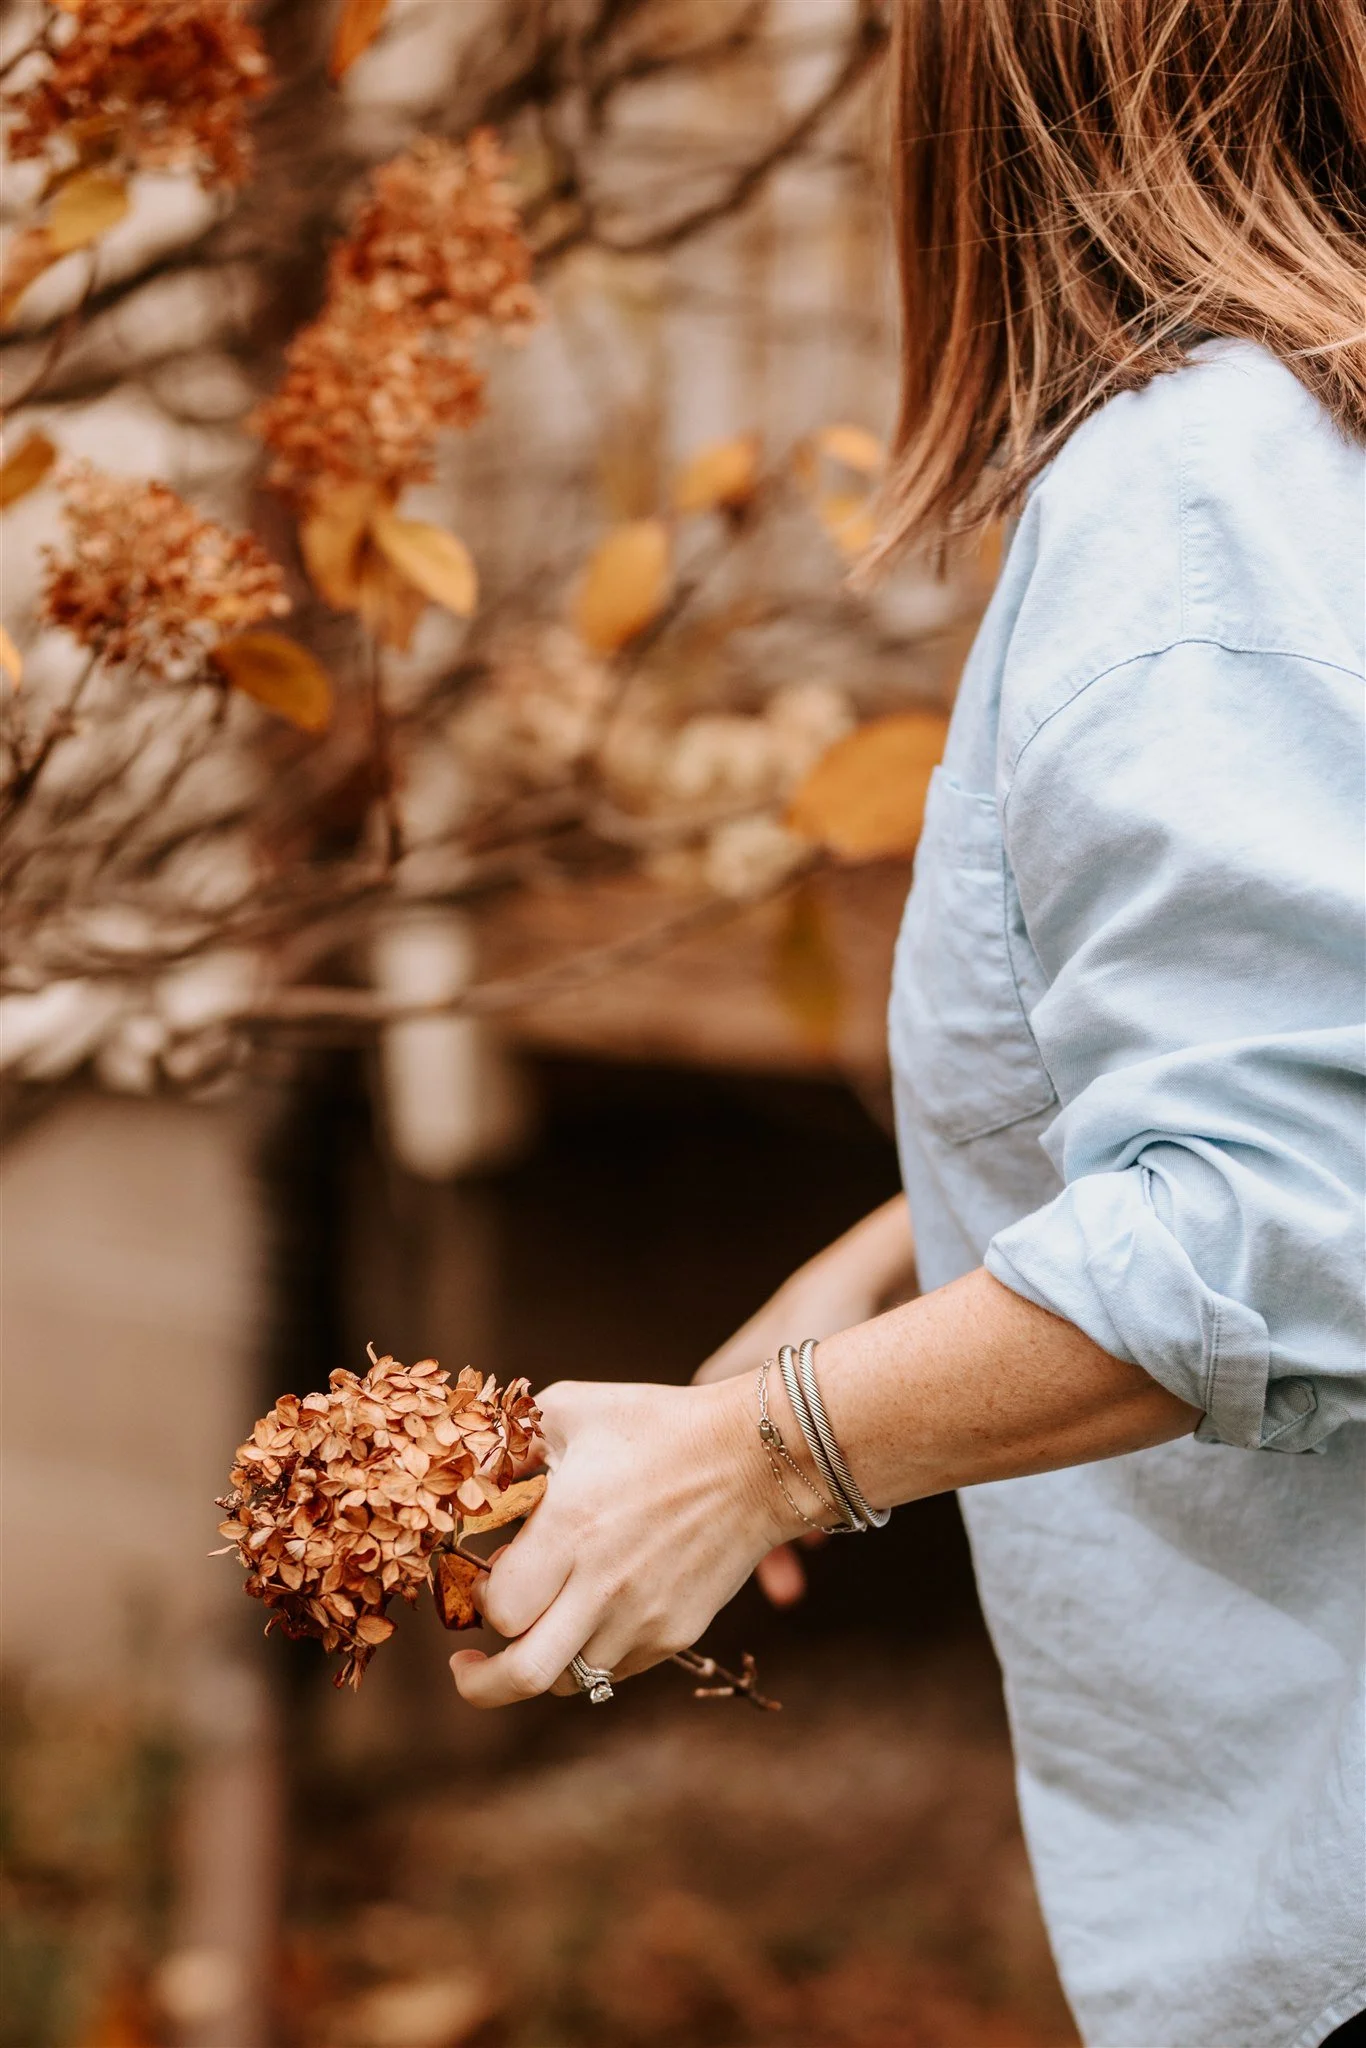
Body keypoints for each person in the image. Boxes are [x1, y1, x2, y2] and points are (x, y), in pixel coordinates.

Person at [450, 3, 1366, 2042]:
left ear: (1010, 80)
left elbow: (1286, 1211)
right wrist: (892, 1264)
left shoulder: (1198, 489)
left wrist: (752, 1466)